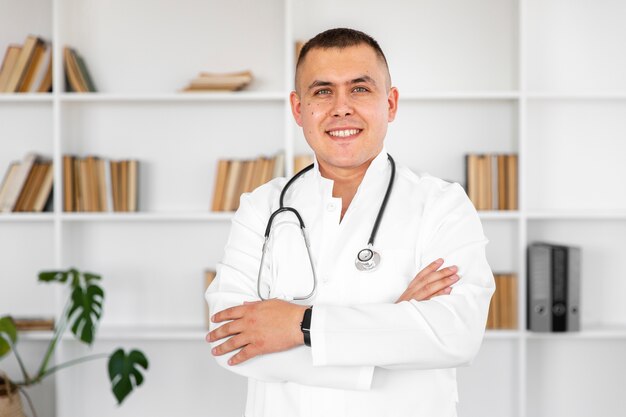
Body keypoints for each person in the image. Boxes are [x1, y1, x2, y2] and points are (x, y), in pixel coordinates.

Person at [205, 28, 495, 417]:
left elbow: (456, 335)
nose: (341, 107)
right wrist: (394, 326)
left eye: (360, 89)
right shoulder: (261, 208)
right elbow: (230, 343)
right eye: (323, 91)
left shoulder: (442, 205)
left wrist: (298, 326)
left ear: (390, 104)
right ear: (298, 108)